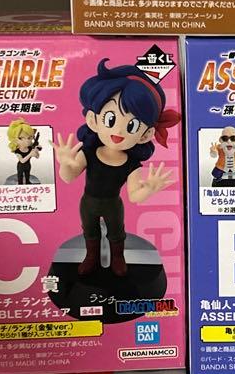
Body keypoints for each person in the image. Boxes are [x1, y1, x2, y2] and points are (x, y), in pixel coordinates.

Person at [56, 60, 180, 277]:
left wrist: (149, 188)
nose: (119, 131)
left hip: (113, 205)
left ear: (145, 135)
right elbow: (69, 177)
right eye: (111, 119)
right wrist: (65, 163)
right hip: (88, 202)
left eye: (132, 125)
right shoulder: (89, 152)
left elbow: (134, 195)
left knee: (116, 233)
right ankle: (91, 256)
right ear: (93, 120)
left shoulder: (131, 164)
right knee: (90, 231)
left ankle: (118, 257)